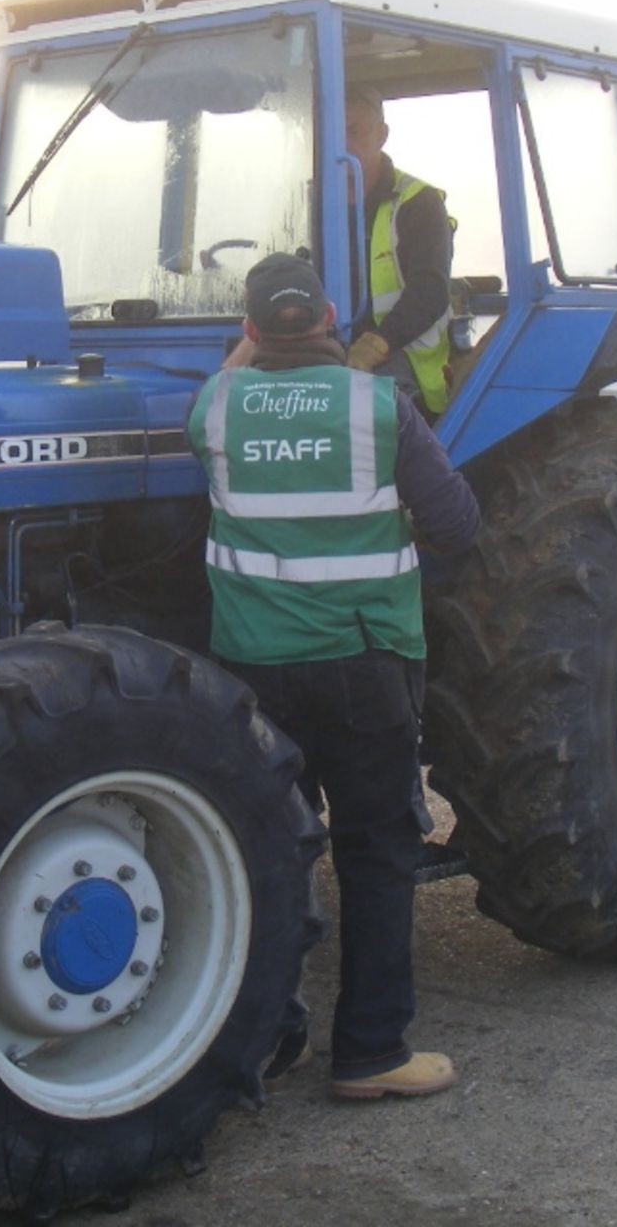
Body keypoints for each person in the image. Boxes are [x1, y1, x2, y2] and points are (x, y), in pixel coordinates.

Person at [187, 252, 480, 1099]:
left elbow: (231, 385)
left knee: (270, 851)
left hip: (251, 671)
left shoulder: (214, 410)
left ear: (246, 330)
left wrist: (247, 356)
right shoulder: (379, 406)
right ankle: (373, 1053)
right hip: (365, 663)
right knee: (377, 851)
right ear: (328, 320)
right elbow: (457, 526)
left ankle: (275, 1039)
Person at [344, 88, 454, 418]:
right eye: (334, 133)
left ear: (382, 135)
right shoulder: (310, 203)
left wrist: (374, 345)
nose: (344, 144)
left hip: (399, 352)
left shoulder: (417, 202)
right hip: (329, 350)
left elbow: (429, 292)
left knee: (370, 417)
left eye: (355, 131)